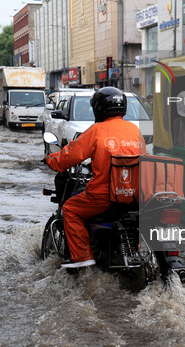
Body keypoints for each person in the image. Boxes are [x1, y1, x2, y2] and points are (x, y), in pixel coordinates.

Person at [45, 87, 144, 268]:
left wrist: (50, 160)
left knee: (70, 209)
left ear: (98, 108)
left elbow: (68, 157)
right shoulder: (134, 130)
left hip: (104, 196)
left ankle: (83, 257)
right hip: (136, 193)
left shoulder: (97, 130)